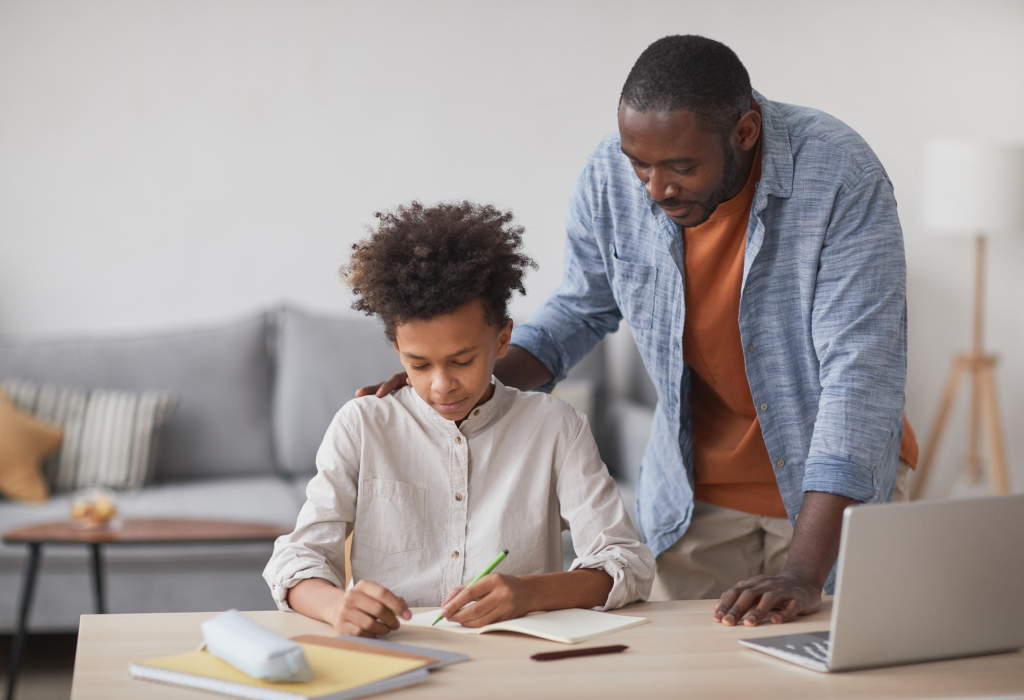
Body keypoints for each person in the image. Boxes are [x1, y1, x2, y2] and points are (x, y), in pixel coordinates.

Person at [360, 36, 918, 629]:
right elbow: (580, 308)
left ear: (746, 132)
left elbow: (860, 375)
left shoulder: (839, 175)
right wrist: (463, 376)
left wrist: (806, 572)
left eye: (681, 167)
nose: (655, 190)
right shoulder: (611, 175)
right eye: (641, 165)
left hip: (829, 499)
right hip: (691, 498)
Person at [264, 201, 655, 637]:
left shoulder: (555, 427)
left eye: (462, 360)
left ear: (503, 338)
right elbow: (294, 561)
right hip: (397, 651)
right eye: (419, 364)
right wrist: (337, 606)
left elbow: (628, 564)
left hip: (515, 657)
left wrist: (530, 592)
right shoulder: (362, 426)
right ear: (396, 349)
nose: (441, 386)